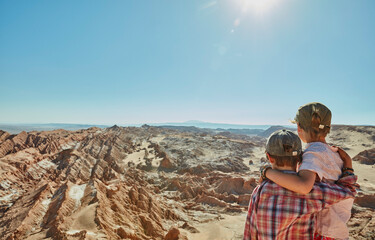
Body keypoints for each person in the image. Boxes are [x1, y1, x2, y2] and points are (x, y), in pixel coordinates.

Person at [243, 129, 358, 240]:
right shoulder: (312, 191)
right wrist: (348, 165)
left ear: (269, 157)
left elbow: (251, 231)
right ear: (300, 158)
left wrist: (265, 172)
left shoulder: (259, 191)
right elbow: (348, 191)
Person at [264, 103, 354, 240]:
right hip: (337, 226)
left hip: (322, 230)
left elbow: (304, 186)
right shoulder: (333, 153)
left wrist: (267, 172)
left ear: (299, 127)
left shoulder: (313, 153)